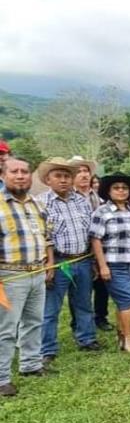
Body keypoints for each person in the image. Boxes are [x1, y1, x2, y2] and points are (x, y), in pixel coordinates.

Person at [36, 158, 100, 366]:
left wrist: (93, 261)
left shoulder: (81, 201)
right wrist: (49, 264)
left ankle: (87, 338)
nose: (63, 180)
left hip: (82, 259)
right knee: (50, 309)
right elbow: (42, 236)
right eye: (58, 176)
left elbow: (90, 232)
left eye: (66, 176)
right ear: (48, 179)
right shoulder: (41, 203)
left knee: (83, 303)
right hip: (59, 262)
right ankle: (48, 349)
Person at [0, 157, 54, 397]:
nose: (20, 175)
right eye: (14, 171)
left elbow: (47, 238)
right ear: (3, 175)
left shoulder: (37, 205)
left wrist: (49, 264)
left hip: (37, 272)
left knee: (34, 320)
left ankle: (31, 364)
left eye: (25, 171)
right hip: (9, 275)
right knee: (6, 328)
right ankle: (2, 378)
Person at [90, 173, 130, 355]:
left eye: (124, 188)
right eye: (116, 188)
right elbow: (96, 240)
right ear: (108, 191)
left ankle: (121, 336)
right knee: (128, 300)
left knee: (127, 302)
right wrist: (102, 265)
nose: (121, 191)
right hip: (114, 265)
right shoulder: (102, 212)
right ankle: (129, 340)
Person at [69, 156, 112, 331]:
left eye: (86, 171)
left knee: (102, 285)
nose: (83, 175)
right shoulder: (70, 197)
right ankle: (77, 322)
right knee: (79, 291)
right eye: (78, 171)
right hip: (79, 250)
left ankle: (101, 317)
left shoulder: (99, 197)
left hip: (101, 248)